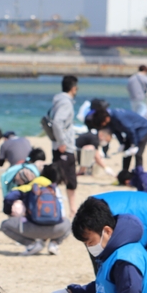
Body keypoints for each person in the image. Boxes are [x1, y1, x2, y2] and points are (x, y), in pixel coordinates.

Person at [1, 165, 71, 256]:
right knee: (68, 223)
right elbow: (62, 213)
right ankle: (54, 244)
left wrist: (8, 212)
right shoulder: (54, 188)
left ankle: (31, 244)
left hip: (32, 228)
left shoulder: (30, 187)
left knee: (5, 225)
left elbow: (9, 198)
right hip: (56, 229)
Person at [90, 104, 147, 173]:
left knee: (138, 153)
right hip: (132, 132)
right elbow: (117, 132)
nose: (104, 125)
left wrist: (134, 145)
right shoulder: (110, 121)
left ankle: (139, 172)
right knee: (126, 151)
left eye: (103, 123)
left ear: (106, 118)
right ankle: (124, 172)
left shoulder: (118, 116)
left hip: (143, 128)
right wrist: (122, 143)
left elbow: (130, 129)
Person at [49, 75, 79, 214]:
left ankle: (69, 209)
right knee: (66, 179)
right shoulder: (66, 103)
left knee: (59, 178)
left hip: (60, 145)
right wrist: (62, 142)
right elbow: (57, 122)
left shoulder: (58, 100)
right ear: (73, 88)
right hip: (64, 147)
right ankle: (68, 209)